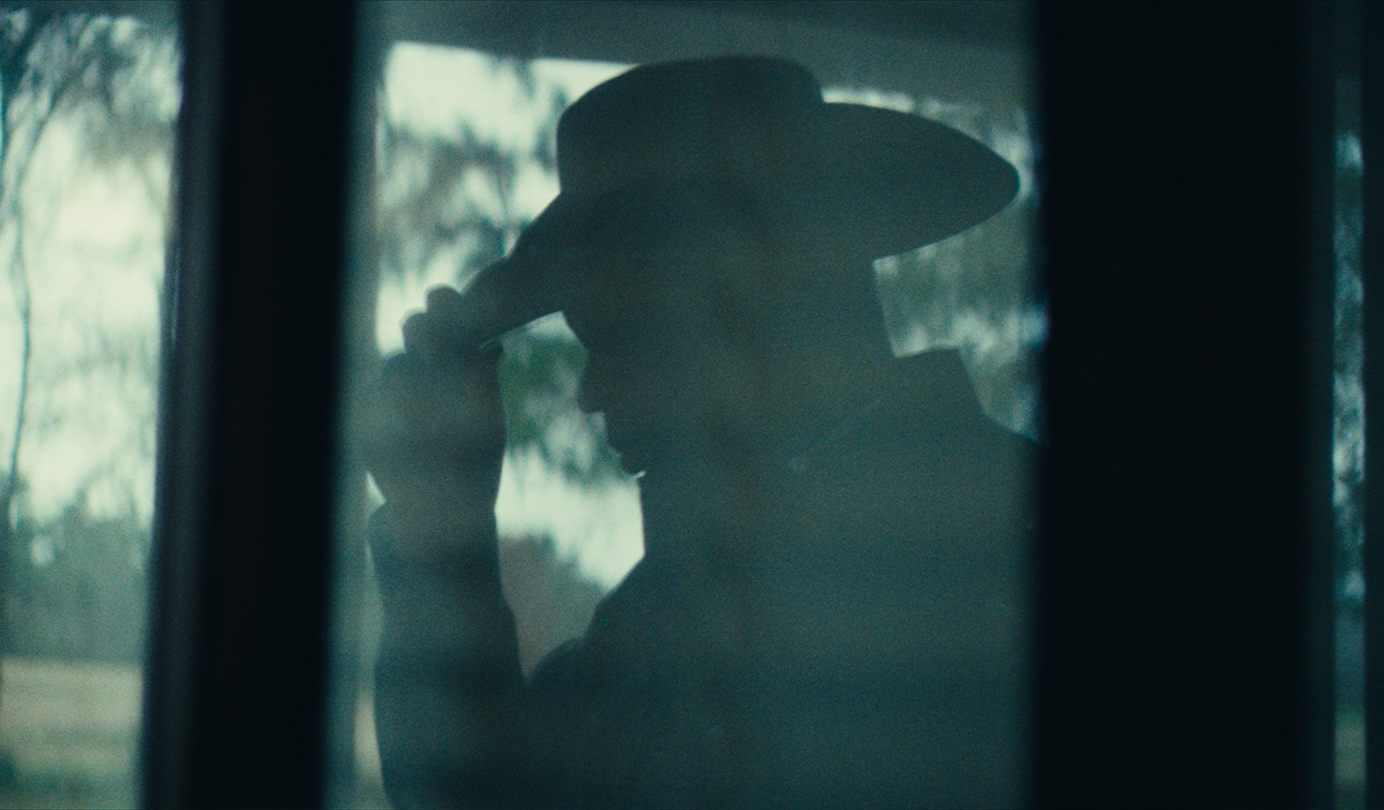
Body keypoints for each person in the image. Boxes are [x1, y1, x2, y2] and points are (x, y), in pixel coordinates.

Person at [365, 57, 1030, 809]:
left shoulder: (993, 563)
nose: (590, 393)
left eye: (623, 338)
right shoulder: (668, 607)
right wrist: (437, 526)